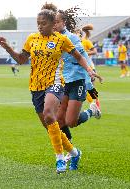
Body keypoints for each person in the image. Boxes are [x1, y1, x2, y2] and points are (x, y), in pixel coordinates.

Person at [0, 9, 96, 174]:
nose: (40, 27)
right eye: (38, 24)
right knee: (50, 126)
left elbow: (79, 56)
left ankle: (59, 159)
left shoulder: (61, 39)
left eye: (44, 23)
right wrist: (7, 46)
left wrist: (90, 71)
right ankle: (74, 153)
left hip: (55, 83)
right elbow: (21, 59)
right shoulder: (32, 39)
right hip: (36, 86)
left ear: (52, 24)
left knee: (50, 114)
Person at [53, 8, 102, 164]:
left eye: (57, 22)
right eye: (52, 22)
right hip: (62, 83)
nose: (54, 25)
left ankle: (91, 111)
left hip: (77, 81)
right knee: (59, 121)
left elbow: (83, 56)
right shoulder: (50, 39)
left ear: (63, 22)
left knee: (71, 122)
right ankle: (72, 152)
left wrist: (90, 72)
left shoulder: (72, 38)